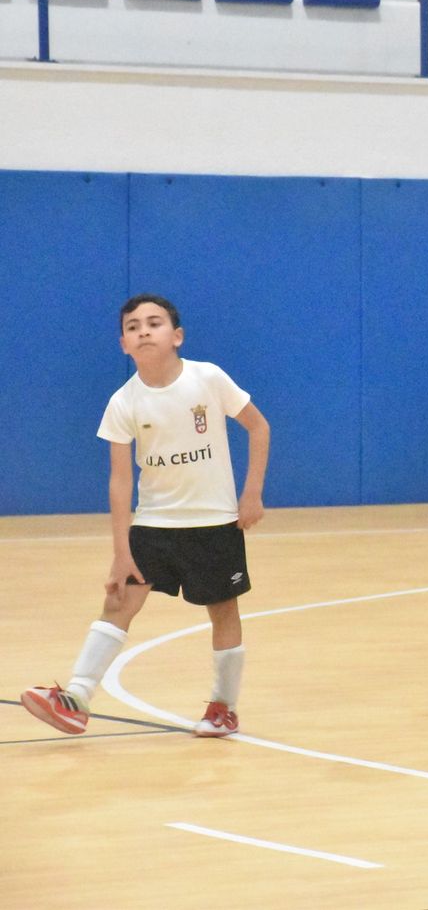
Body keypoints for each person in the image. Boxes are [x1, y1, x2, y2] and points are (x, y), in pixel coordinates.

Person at [20, 294, 270, 739]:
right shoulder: (123, 402)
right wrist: (121, 551)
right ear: (124, 344)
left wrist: (251, 493)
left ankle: (223, 708)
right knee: (119, 600)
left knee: (223, 611)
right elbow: (119, 482)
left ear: (176, 336)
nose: (144, 330)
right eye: (134, 326)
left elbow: (258, 426)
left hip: (213, 522)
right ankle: (77, 697)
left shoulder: (207, 379)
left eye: (154, 323)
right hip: (154, 523)